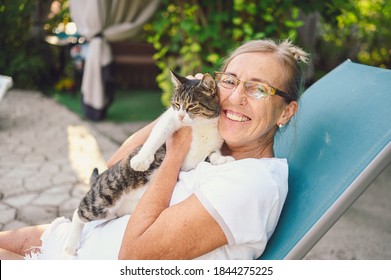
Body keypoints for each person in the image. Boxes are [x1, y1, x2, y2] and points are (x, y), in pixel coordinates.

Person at [0, 38, 309, 260]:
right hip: (81, 236)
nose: (236, 97)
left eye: (258, 89)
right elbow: (116, 168)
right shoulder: (217, 148)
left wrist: (175, 153)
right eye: (230, 81)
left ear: (286, 111)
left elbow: (133, 259)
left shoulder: (249, 184)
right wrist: (177, 115)